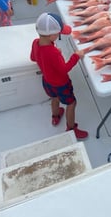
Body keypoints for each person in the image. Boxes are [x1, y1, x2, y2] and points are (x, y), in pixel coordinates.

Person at [30, 12, 88, 140]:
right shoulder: (53, 52)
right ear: (52, 35)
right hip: (61, 84)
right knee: (72, 103)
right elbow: (64, 69)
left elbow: (33, 58)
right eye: (59, 34)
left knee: (54, 98)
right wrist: (76, 56)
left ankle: (55, 117)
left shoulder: (35, 42)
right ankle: (71, 128)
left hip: (47, 81)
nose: (59, 35)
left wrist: (50, 58)